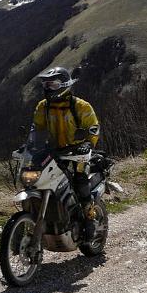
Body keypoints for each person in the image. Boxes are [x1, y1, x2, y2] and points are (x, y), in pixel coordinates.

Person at [32, 67, 101, 236]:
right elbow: (36, 129)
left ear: (64, 85)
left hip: (78, 152)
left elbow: (93, 128)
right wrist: (29, 145)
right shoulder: (43, 107)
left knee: (80, 181)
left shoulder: (81, 106)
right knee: (40, 180)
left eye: (53, 85)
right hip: (53, 152)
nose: (49, 89)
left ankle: (89, 219)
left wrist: (88, 144)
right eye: (46, 85)